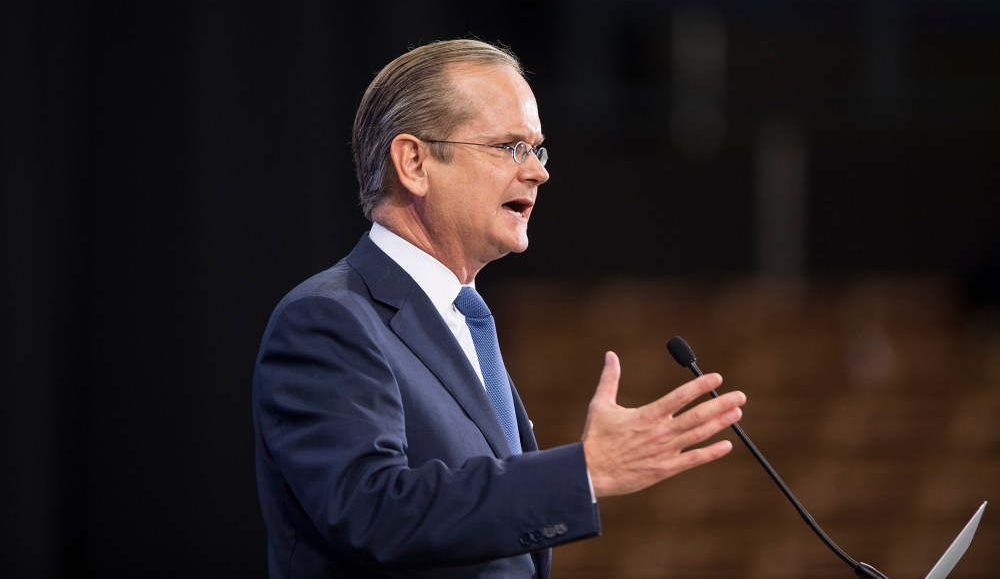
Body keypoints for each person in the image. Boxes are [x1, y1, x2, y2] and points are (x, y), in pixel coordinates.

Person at [252, 39, 746, 578]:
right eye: (510, 147)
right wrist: (580, 472)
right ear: (414, 162)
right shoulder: (328, 320)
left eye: (537, 149)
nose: (538, 172)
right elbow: (373, 511)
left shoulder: (463, 320)